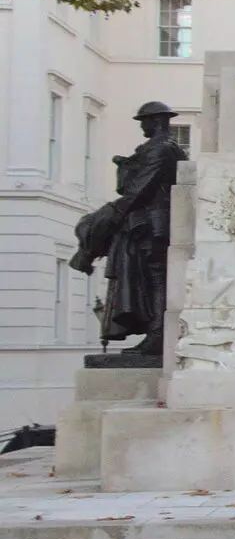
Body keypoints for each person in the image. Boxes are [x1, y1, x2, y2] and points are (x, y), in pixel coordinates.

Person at [69, 100, 188, 355]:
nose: (142, 126)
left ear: (156, 121)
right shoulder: (159, 149)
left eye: (144, 121)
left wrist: (112, 216)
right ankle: (155, 333)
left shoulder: (162, 149)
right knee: (146, 277)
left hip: (153, 223)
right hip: (147, 221)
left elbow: (138, 190)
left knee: (156, 278)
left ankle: (158, 335)